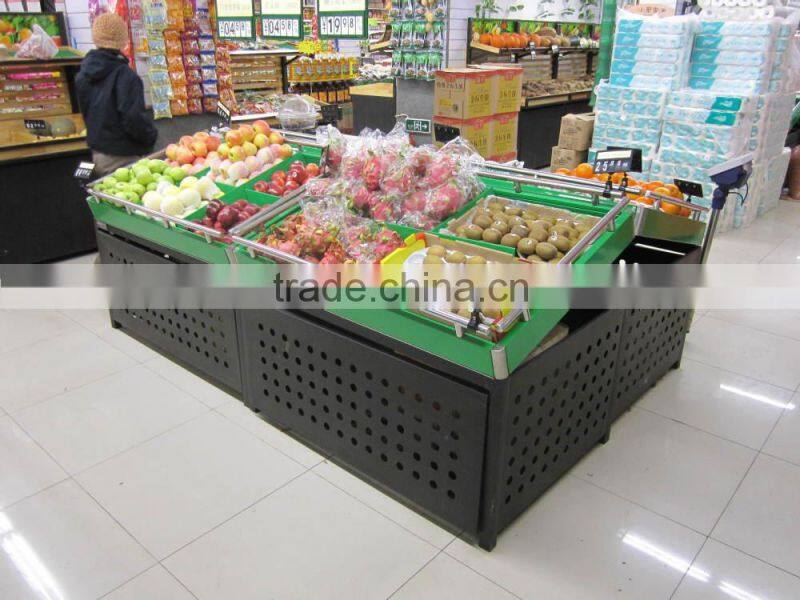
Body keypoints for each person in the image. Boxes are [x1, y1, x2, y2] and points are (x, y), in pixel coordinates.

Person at [75, 13, 158, 175]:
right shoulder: (126, 76)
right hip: (125, 155)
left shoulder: (82, 74)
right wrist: (151, 136)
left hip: (98, 153)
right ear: (123, 40)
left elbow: (86, 113)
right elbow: (133, 118)